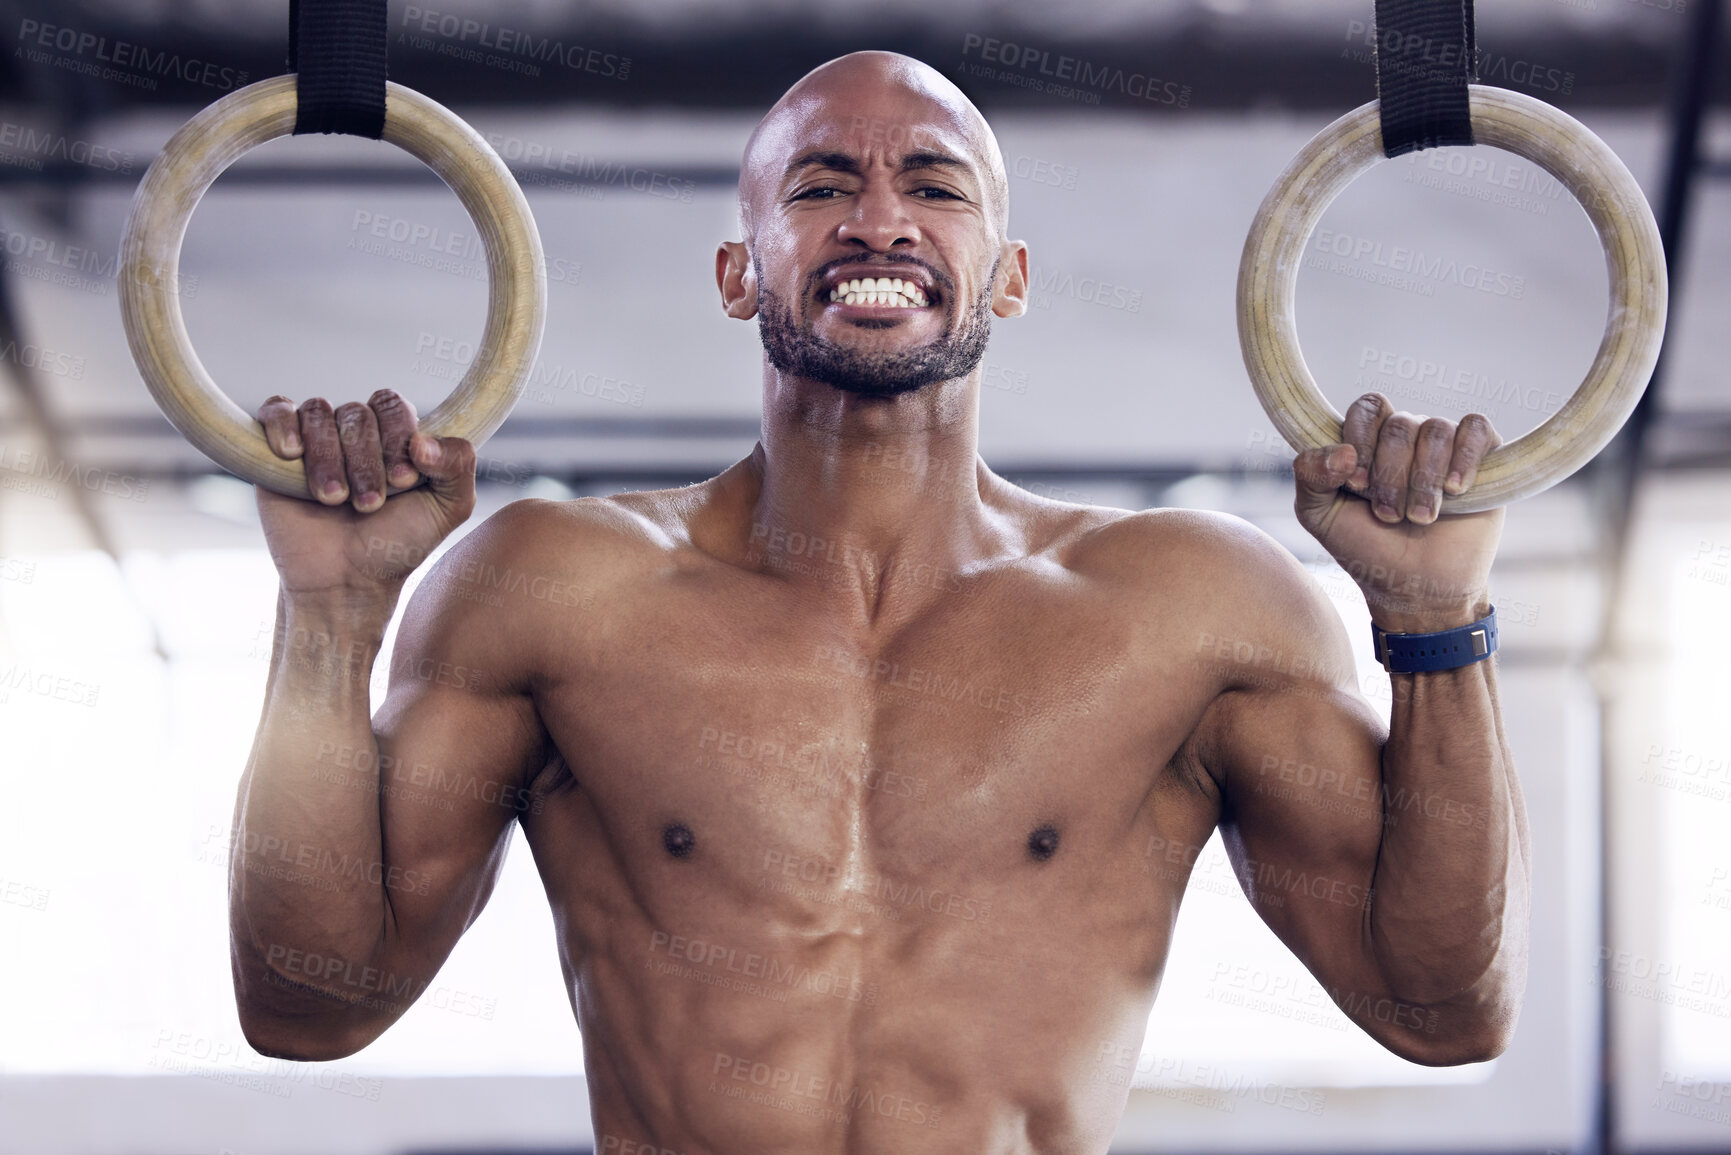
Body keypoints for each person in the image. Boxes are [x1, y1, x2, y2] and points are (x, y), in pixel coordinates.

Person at [231, 49, 1528, 1154]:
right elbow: (306, 1010)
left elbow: (1443, 1013)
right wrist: (334, 616)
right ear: (741, 271)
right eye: (822, 185)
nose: (880, 223)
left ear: (1007, 275)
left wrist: (1433, 625)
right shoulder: (559, 590)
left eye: (933, 184)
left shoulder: (1193, 610)